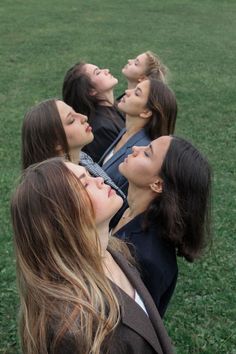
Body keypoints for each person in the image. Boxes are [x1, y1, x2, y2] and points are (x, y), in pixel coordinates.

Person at [11, 158, 174, 354]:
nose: (99, 180)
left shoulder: (115, 252)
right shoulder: (71, 328)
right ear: (63, 217)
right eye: (85, 183)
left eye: (89, 174)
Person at [111, 136, 212, 317]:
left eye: (147, 153)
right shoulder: (122, 207)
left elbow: (128, 327)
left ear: (157, 184)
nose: (135, 148)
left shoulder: (147, 259)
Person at [21, 99, 125, 199]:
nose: (84, 117)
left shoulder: (81, 156)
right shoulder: (62, 190)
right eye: (71, 120)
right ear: (57, 143)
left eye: (75, 112)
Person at [99, 78, 177, 198]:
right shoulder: (126, 131)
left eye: (137, 93)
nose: (127, 91)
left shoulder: (141, 151)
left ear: (146, 112)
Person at [62, 62, 125, 162]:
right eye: (98, 72)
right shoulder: (101, 128)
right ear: (91, 90)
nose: (106, 70)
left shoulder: (114, 106)